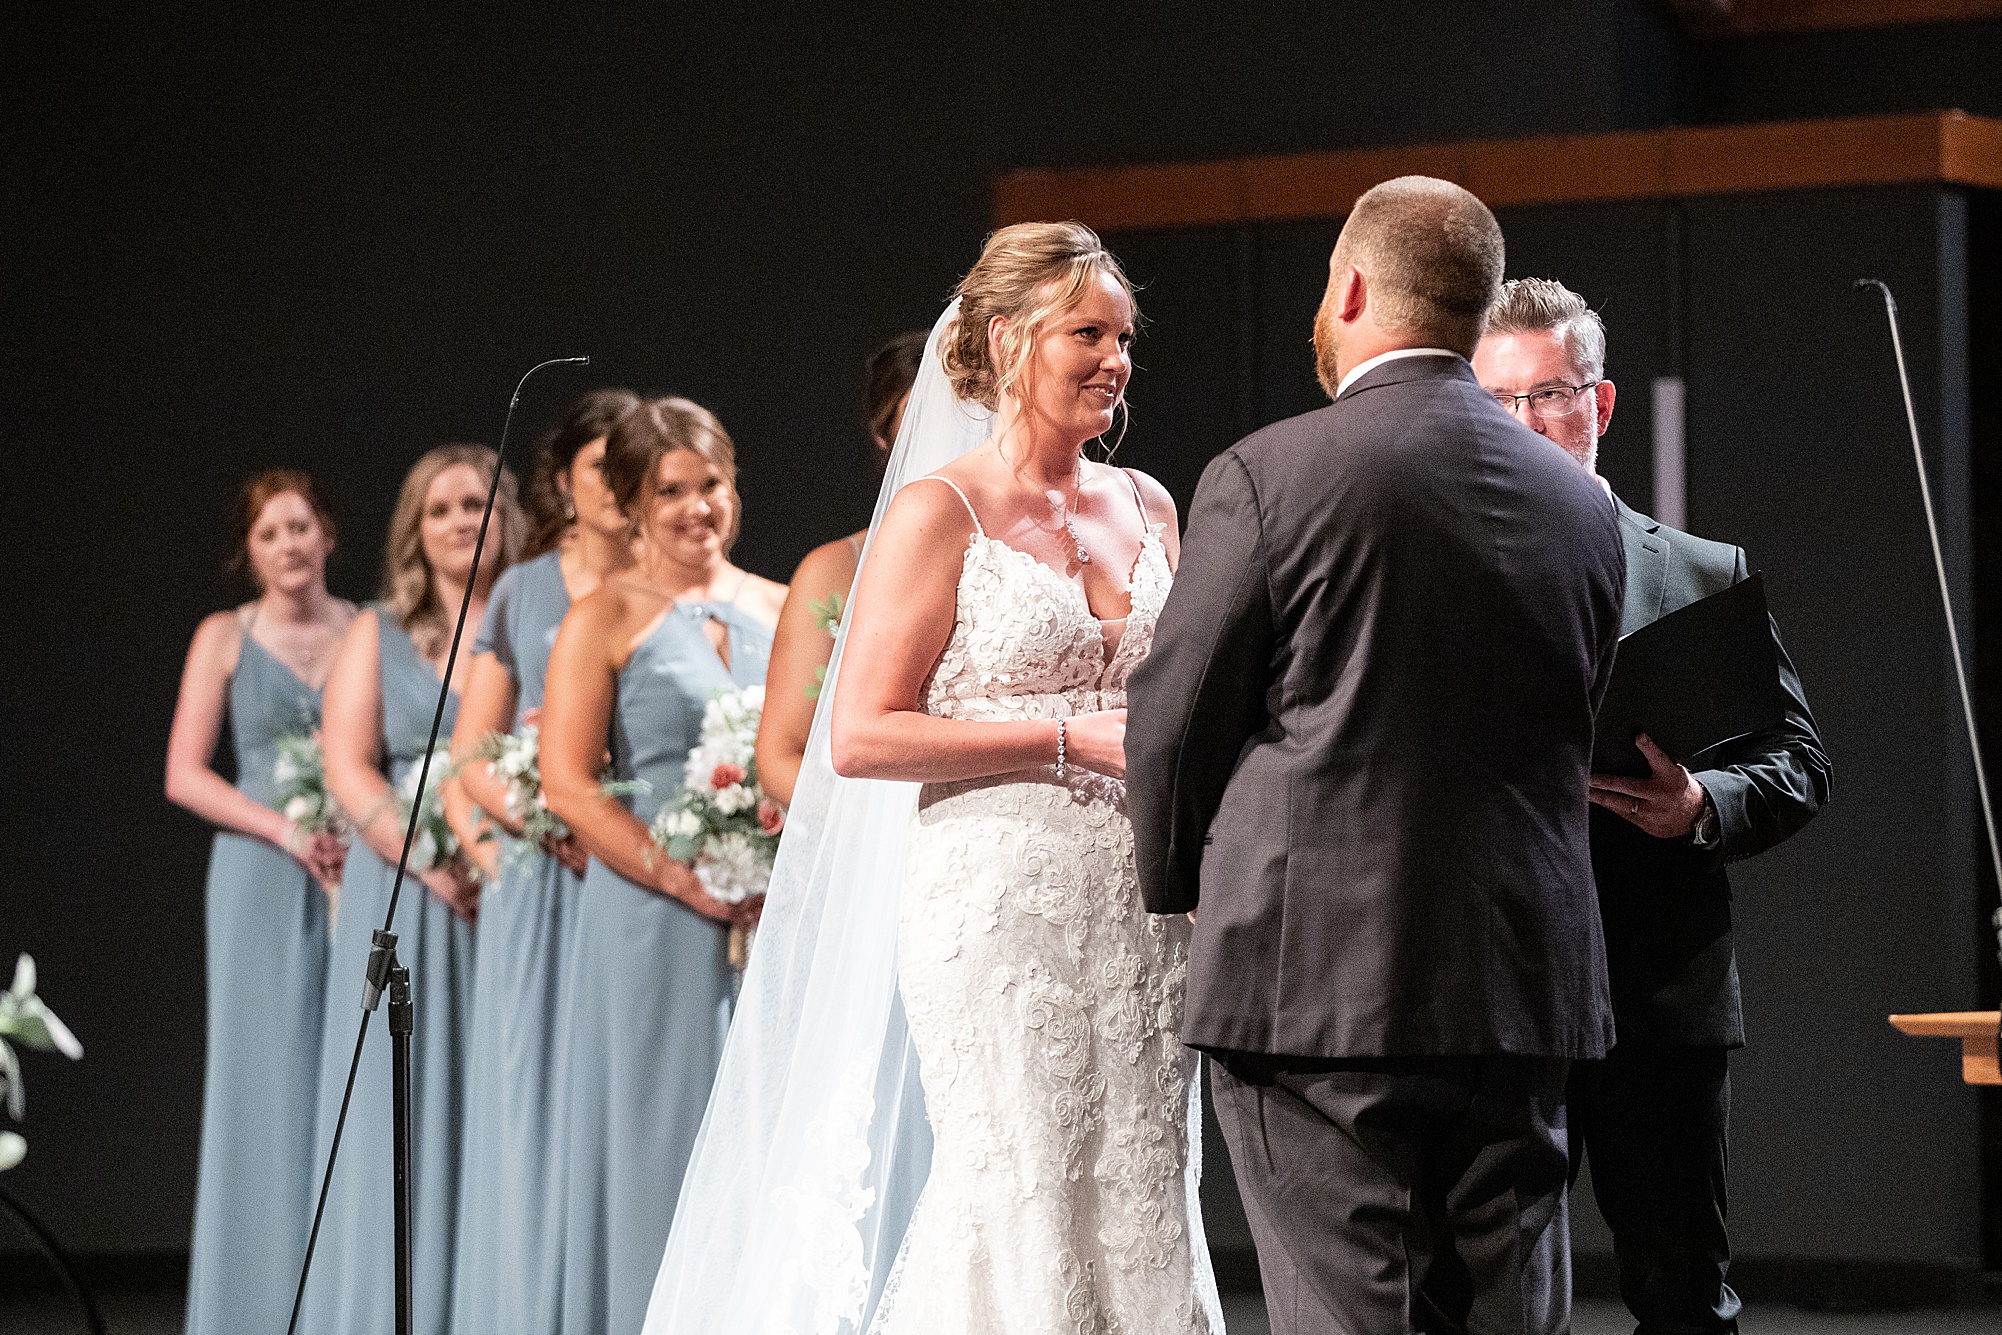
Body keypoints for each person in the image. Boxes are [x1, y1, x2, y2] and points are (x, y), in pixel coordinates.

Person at [641, 223, 1224, 1335]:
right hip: (1000, 902)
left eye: (1123, 338)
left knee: (1146, 1181)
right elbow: (860, 734)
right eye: (1087, 335)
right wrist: (1063, 741)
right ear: (1007, 340)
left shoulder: (1149, 502)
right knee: (1025, 1184)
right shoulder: (936, 511)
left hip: (1146, 905)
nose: (1116, 360)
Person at [1126, 178, 1626, 1335]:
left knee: (1352, 1310)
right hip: (1522, 979)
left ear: (1349, 289)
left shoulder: (1268, 475)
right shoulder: (1581, 505)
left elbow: (1176, 719)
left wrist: (1185, 885)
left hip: (1315, 982)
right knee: (1509, 1313)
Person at [1473, 278, 1830, 1335]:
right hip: (1496, 993)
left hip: (1660, 992)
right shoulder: (1438, 579)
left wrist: (1700, 803)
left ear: (1601, 402)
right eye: (1497, 402)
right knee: (1491, 1301)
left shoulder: (1702, 573)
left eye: (1551, 395)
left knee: (1683, 1298)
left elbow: (1798, 760)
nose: (1527, 423)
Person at [540, 396, 782, 1335]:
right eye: (670, 490)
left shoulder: (779, 605)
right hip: (651, 914)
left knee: (769, 1143)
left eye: (711, 484)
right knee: (657, 1145)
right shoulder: (603, 614)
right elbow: (569, 782)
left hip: (772, 914)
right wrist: (685, 877)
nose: (696, 507)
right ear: (635, 503)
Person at [300, 444, 523, 1335]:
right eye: (441, 508)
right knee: (397, 1102)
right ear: (415, 530)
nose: (463, 520)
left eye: (477, 503)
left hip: (508, 883)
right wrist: (429, 857)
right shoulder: (377, 630)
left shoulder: (535, 619)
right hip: (405, 890)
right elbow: (350, 765)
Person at [443, 389, 639, 1335]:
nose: (621, 484)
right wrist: (540, 816)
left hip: (631, 871)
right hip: (541, 875)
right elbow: (472, 754)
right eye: (603, 465)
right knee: (530, 1101)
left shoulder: (673, 580)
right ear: (563, 480)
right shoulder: (523, 590)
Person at [167, 470, 355, 1335]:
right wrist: (284, 830)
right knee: (263, 1079)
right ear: (249, 551)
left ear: (328, 535)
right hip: (259, 876)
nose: (288, 545)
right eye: (270, 532)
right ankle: (251, 1302)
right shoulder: (224, 635)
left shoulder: (366, 628)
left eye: (300, 527)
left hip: (351, 868)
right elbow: (185, 774)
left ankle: (339, 1296)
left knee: (345, 1071)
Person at [756, 330, 925, 806]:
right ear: (883, 438)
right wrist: (872, 833)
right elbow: (780, 755)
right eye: (921, 420)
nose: (944, 438)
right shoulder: (834, 570)